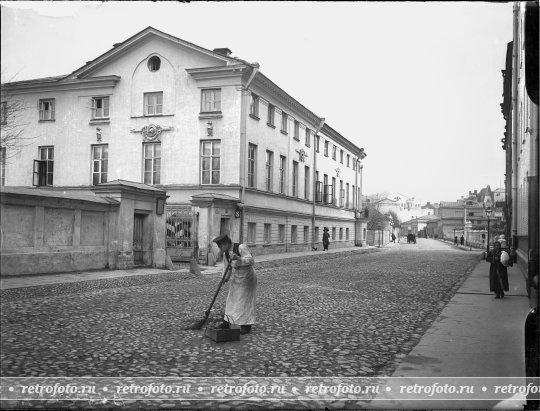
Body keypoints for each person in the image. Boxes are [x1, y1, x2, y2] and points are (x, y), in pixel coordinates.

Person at [213, 234, 257, 334]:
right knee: (231, 299)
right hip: (238, 277)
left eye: (221, 246)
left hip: (248, 277)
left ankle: (246, 326)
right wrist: (224, 279)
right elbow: (227, 268)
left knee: (244, 301)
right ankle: (227, 321)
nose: (220, 249)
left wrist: (238, 258)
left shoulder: (240, 247)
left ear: (226, 243)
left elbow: (251, 261)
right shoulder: (226, 254)